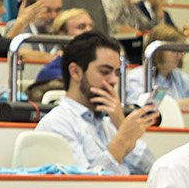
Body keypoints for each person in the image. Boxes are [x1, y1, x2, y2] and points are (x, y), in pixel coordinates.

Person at [34, 31, 157, 175]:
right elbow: (86, 184)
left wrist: (121, 126)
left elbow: (152, 171)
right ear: (76, 72)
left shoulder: (108, 123)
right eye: (105, 72)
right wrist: (122, 140)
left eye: (116, 73)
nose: (113, 80)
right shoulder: (56, 125)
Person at [127, 23, 189, 107]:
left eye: (181, 51)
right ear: (158, 51)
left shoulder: (182, 78)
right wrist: (180, 104)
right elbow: (140, 109)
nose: (180, 56)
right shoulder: (137, 76)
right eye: (174, 50)